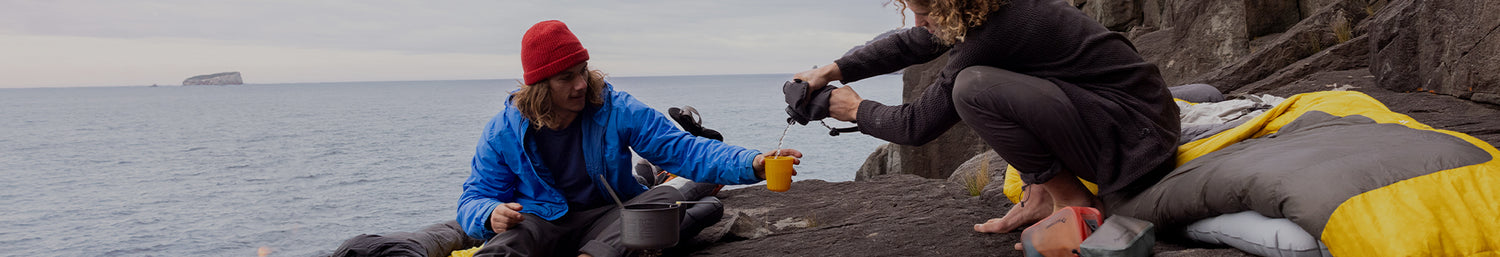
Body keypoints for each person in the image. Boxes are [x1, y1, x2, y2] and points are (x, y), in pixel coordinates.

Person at [792, 0, 1180, 238]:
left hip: (1135, 142)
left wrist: (852, 108)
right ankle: (1043, 194)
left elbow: (916, 125)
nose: (917, 22)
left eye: (924, 13)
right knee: (995, 85)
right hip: (1138, 118)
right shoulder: (989, 7)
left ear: (948, 5)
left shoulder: (996, 31)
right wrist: (830, 71)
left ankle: (1072, 202)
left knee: (973, 89)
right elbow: (910, 43)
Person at [457, 20, 802, 257]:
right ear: (540, 86)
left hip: (607, 218)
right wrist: (489, 214)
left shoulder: (614, 107)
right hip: (541, 222)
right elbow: (475, 197)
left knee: (662, 197)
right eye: (566, 77)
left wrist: (752, 163)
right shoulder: (504, 129)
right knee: (515, 236)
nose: (580, 84)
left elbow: (681, 148)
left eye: (582, 70)